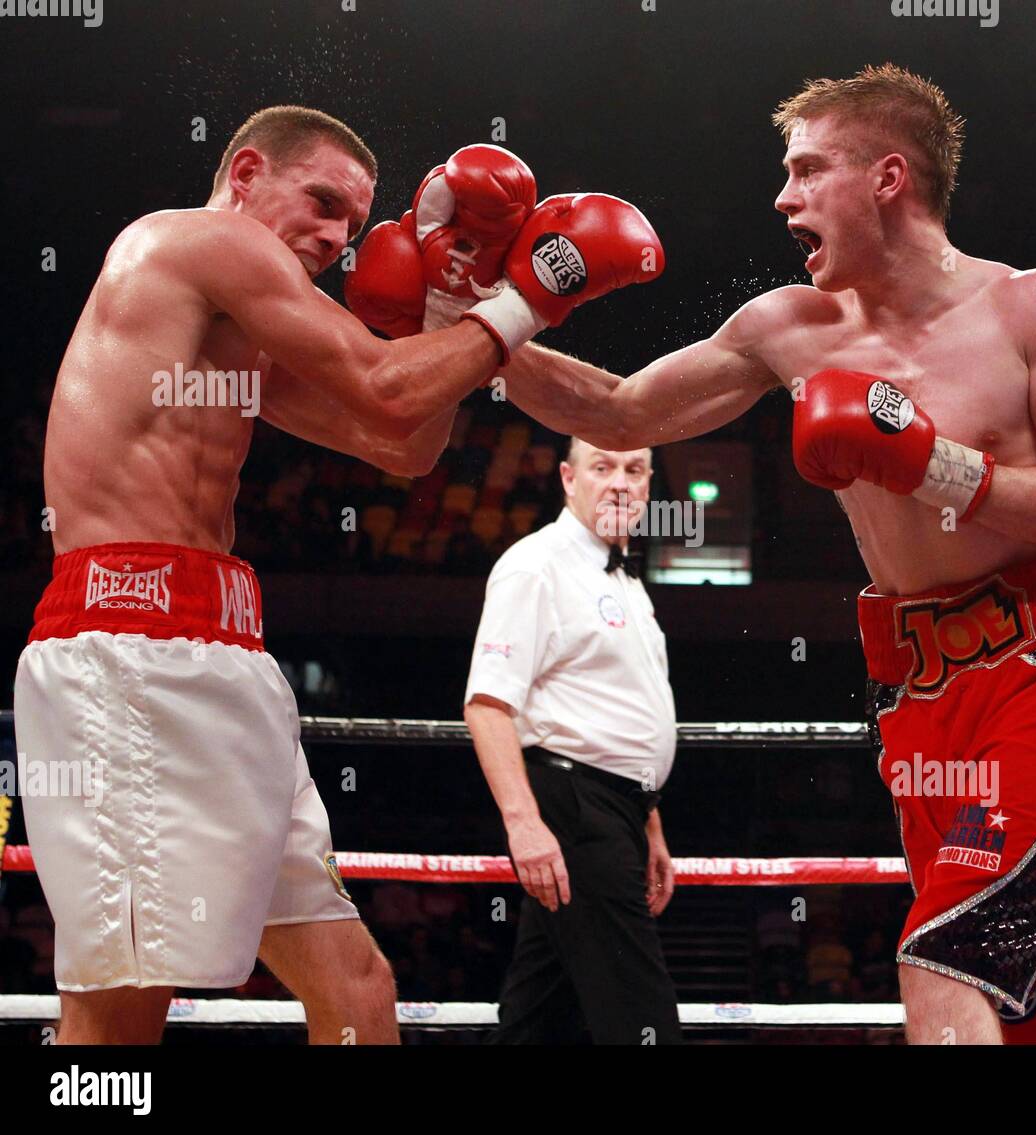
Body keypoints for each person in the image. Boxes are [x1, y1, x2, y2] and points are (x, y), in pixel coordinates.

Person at [495, 63, 1036, 1045]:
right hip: (916, 699)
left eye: (805, 172)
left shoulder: (1033, 308)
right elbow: (618, 409)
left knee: (945, 957)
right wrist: (469, 321)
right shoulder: (787, 329)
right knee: (1011, 1001)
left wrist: (935, 465)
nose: (781, 197)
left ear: (886, 179)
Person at [13, 104, 661, 1044]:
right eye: (319, 203)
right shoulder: (196, 243)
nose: (333, 238)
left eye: (354, 228)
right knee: (120, 1014)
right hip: (127, 656)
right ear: (243, 174)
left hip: (224, 659)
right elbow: (391, 386)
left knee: (358, 986)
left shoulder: (232, 340)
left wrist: (446, 307)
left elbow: (404, 444)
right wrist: (527, 297)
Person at [463, 439, 682, 1045]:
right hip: (573, 806)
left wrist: (649, 820)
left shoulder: (624, 578)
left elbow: (619, 711)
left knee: (539, 1018)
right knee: (642, 1020)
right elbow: (486, 706)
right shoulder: (537, 566)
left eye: (634, 470)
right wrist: (524, 824)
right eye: (603, 467)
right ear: (568, 477)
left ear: (648, 484)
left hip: (616, 810)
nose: (620, 483)